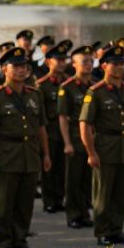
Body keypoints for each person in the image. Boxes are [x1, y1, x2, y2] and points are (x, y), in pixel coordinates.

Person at [0, 47, 50, 248]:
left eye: (24, 66)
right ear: (4, 69)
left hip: (29, 155)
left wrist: (45, 155)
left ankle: (20, 241)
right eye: (15, 66)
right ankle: (4, 244)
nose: (21, 70)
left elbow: (41, 128)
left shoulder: (34, 94)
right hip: (6, 155)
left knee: (25, 203)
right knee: (4, 203)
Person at [79, 45, 124, 246]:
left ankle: (116, 229)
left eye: (122, 63)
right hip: (105, 146)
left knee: (120, 192)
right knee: (103, 192)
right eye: (115, 63)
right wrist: (91, 152)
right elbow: (85, 124)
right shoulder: (95, 92)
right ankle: (103, 231)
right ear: (104, 65)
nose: (120, 67)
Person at [57, 45, 96, 230]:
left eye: (90, 61)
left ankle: (85, 212)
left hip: (94, 139)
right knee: (73, 180)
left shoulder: (95, 86)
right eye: (84, 62)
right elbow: (63, 117)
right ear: (74, 65)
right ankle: (73, 214)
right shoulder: (67, 88)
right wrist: (67, 143)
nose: (88, 65)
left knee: (88, 180)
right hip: (74, 138)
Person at [37, 42, 72, 215]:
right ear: (48, 62)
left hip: (68, 128)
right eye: (57, 59)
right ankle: (49, 200)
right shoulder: (41, 85)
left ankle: (60, 198)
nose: (61, 62)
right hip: (50, 128)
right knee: (49, 164)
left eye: (63, 59)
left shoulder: (70, 83)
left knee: (63, 166)